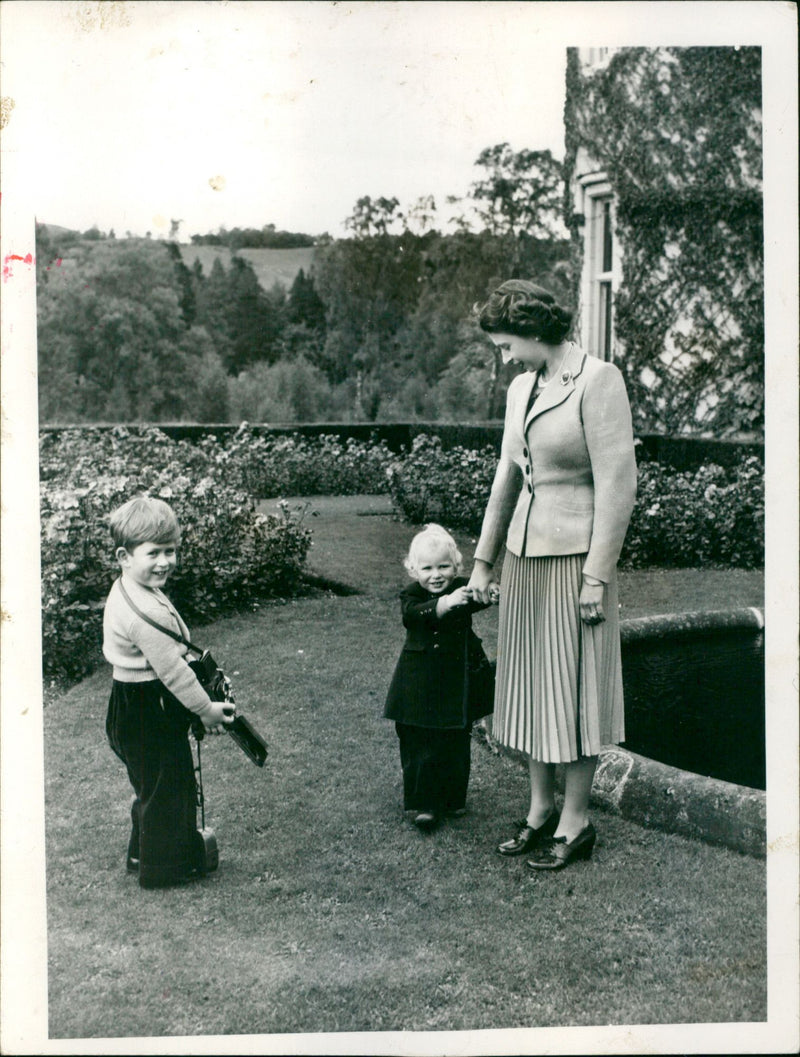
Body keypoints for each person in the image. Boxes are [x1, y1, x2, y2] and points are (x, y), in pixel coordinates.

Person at [466, 279, 637, 871]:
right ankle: (540, 810)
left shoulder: (598, 380)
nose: (504, 354)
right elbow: (506, 479)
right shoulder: (520, 388)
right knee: (532, 688)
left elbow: (619, 486)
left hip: (575, 562)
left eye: (507, 341)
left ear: (536, 332)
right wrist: (485, 561)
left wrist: (597, 576)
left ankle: (576, 819)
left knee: (573, 689)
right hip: (523, 559)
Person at [103, 496, 233, 889]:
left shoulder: (129, 586)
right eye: (154, 553)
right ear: (125, 556)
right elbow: (174, 674)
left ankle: (142, 853)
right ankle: (163, 870)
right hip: (149, 707)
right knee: (169, 787)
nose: (165, 561)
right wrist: (206, 709)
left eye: (171, 551)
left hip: (128, 703)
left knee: (152, 783)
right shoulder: (149, 614)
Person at [383, 524, 498, 830]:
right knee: (421, 741)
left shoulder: (460, 587)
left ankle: (453, 798)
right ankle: (426, 804)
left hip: (455, 683)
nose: (436, 575)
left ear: (456, 566)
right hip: (419, 685)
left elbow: (477, 596)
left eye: (444, 567)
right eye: (428, 568)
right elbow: (412, 616)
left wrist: (488, 593)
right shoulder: (412, 596)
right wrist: (444, 604)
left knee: (455, 739)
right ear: (413, 569)